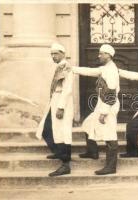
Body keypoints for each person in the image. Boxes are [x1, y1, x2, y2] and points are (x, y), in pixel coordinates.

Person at [72, 44, 120, 175]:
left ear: (108, 55)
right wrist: (72, 69)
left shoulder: (111, 71)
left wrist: (104, 113)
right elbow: (90, 71)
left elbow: (111, 94)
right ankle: (92, 152)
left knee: (110, 135)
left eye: (101, 54)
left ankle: (111, 167)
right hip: (102, 104)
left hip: (108, 106)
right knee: (87, 124)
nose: (98, 56)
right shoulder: (106, 68)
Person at [36, 43, 74, 177]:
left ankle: (65, 165)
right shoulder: (59, 66)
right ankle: (59, 152)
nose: (53, 56)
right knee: (47, 129)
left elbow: (68, 89)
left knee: (63, 132)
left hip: (62, 104)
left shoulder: (66, 67)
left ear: (63, 53)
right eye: (51, 54)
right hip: (55, 101)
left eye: (56, 53)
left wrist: (61, 107)